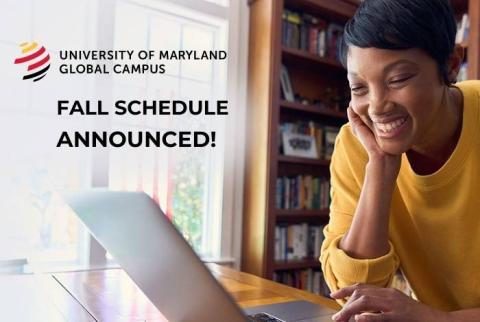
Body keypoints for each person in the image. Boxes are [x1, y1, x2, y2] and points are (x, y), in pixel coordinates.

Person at [319, 0, 480, 321]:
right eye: (359, 87)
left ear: (450, 64)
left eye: (398, 79)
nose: (377, 107)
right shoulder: (357, 142)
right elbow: (353, 292)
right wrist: (380, 166)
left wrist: (440, 319)